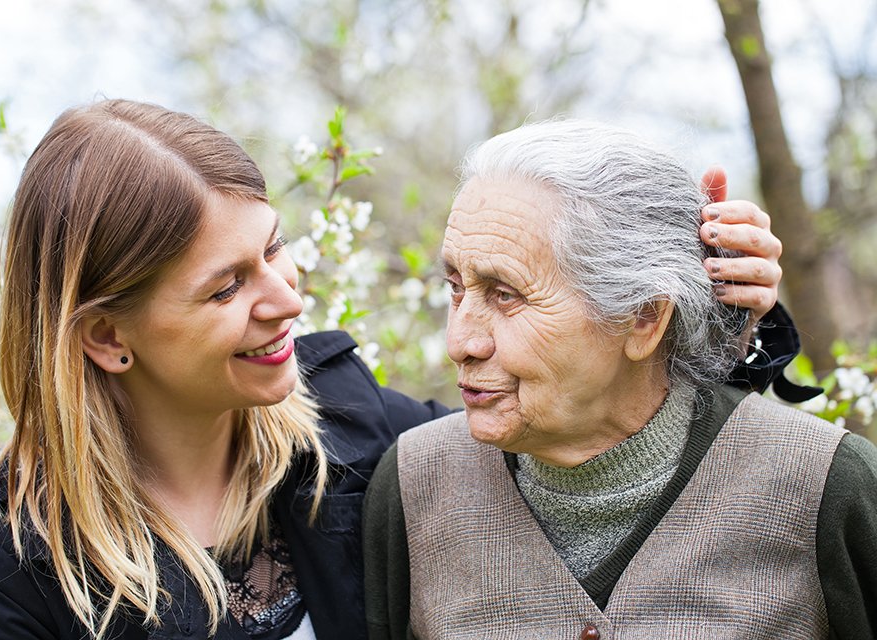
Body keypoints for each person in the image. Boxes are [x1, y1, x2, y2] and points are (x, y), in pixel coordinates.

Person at [0, 100, 795, 640]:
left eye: (274, 250)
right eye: (228, 287)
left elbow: (579, 439)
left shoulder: (355, 426)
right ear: (108, 336)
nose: (287, 300)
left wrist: (708, 310)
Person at [362, 119, 877, 640]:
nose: (459, 342)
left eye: (505, 295)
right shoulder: (412, 487)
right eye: (455, 287)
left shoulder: (827, 489)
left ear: (644, 318)